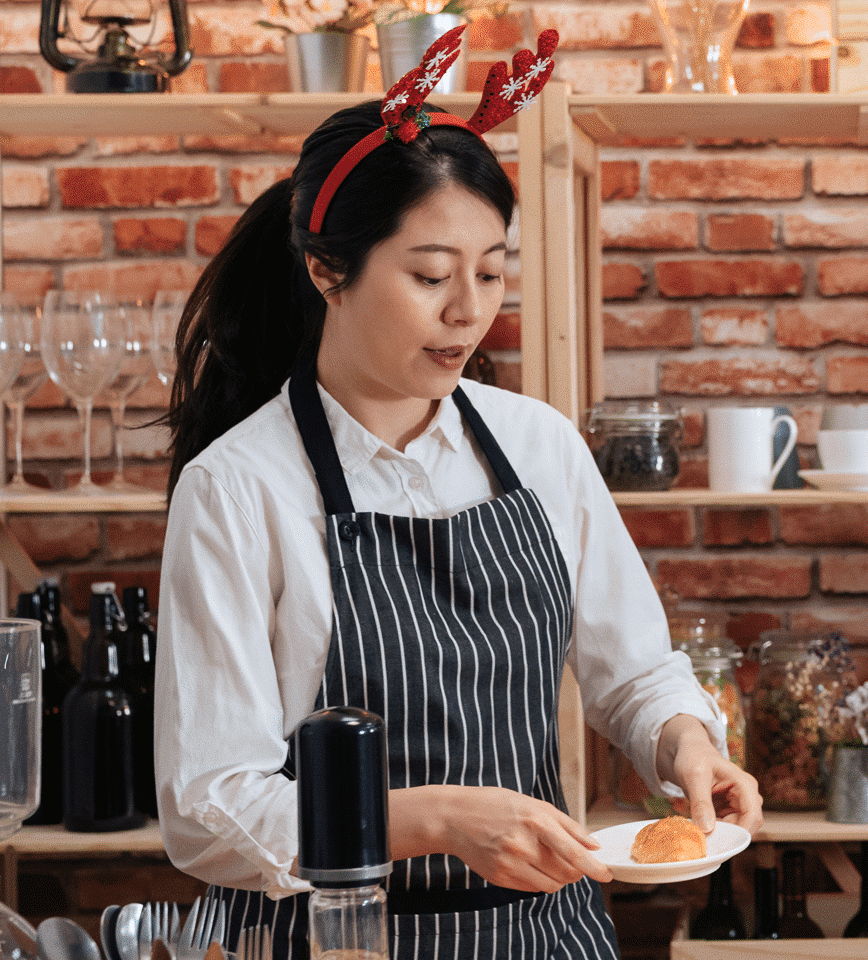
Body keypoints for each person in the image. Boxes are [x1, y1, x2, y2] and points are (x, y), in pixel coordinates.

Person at [153, 28, 761, 960]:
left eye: (491, 271)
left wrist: (685, 743)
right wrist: (432, 820)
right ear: (328, 272)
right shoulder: (239, 488)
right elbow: (208, 809)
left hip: (541, 937)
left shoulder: (538, 445)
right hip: (325, 940)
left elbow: (635, 669)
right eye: (432, 276)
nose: (470, 311)